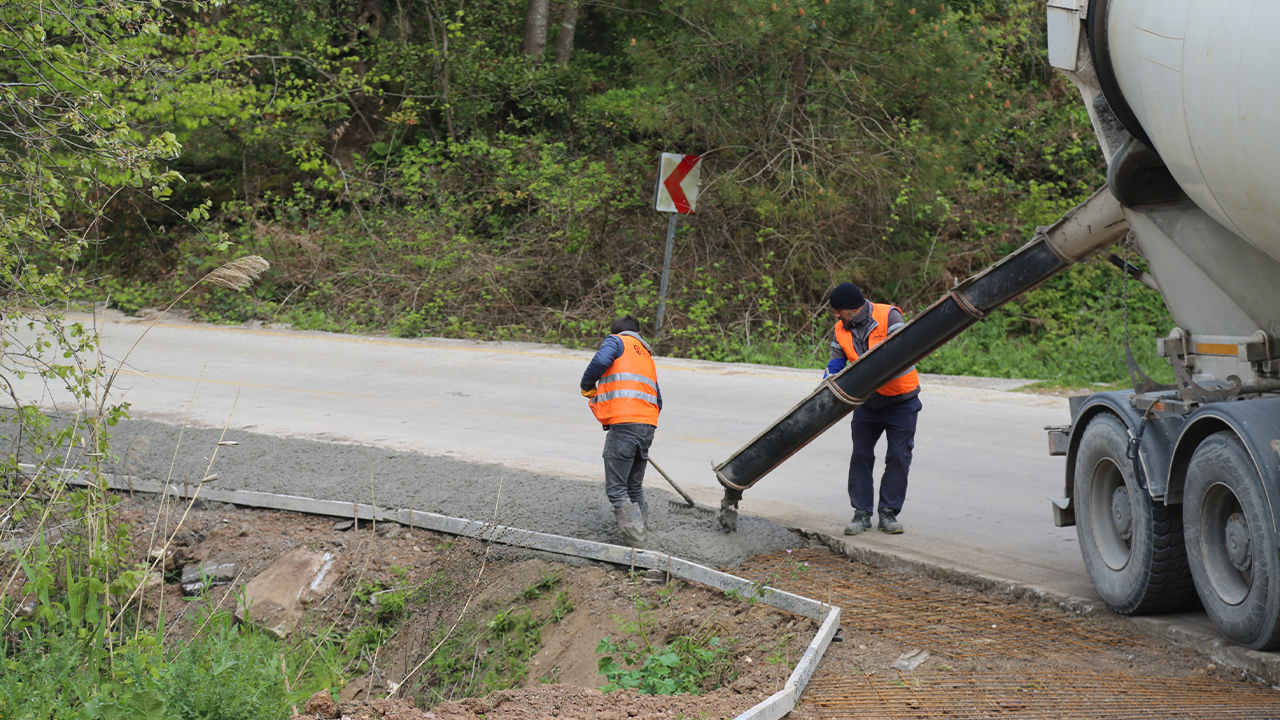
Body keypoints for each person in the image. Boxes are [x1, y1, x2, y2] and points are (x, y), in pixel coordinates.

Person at [825, 282, 922, 536]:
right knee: (861, 455)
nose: (836, 315)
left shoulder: (889, 315)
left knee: (899, 456)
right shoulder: (840, 329)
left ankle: (888, 514)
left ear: (853, 309)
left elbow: (903, 349)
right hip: (867, 402)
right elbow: (835, 365)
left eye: (839, 310)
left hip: (902, 401)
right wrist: (827, 385)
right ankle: (861, 514)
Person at [580, 315, 662, 546]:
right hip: (647, 426)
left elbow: (600, 361)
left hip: (626, 427)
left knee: (617, 490)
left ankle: (638, 543)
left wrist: (587, 385)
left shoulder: (616, 341)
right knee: (633, 486)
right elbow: (658, 398)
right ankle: (644, 534)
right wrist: (642, 428)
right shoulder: (646, 355)